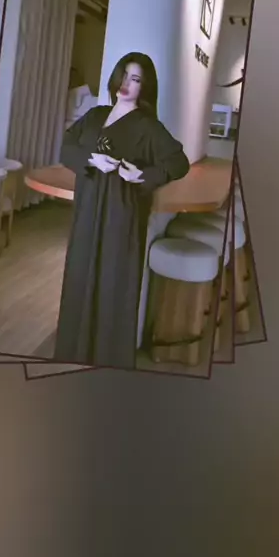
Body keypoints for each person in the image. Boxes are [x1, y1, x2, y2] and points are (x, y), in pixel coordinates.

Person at [53, 52, 190, 368]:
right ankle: (71, 357)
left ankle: (107, 365)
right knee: (79, 276)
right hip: (87, 212)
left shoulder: (147, 127)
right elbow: (66, 148)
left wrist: (141, 175)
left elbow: (178, 162)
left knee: (113, 285)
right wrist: (91, 159)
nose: (127, 83)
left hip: (121, 214)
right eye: (124, 75)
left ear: (145, 87)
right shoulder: (95, 115)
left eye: (136, 79)